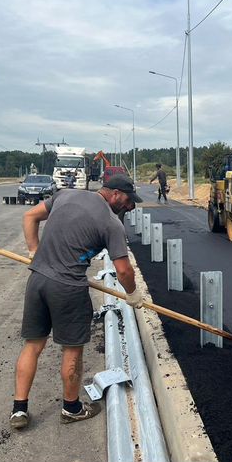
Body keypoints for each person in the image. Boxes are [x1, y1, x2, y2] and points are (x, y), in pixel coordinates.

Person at [9, 174, 144, 430]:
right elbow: (124, 271)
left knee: (33, 345)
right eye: (127, 200)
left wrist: (34, 251)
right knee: (72, 349)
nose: (129, 206)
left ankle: (19, 409)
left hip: (37, 281)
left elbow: (30, 216)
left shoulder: (66, 195)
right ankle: (71, 408)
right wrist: (133, 294)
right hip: (68, 288)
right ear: (115, 194)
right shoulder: (110, 223)